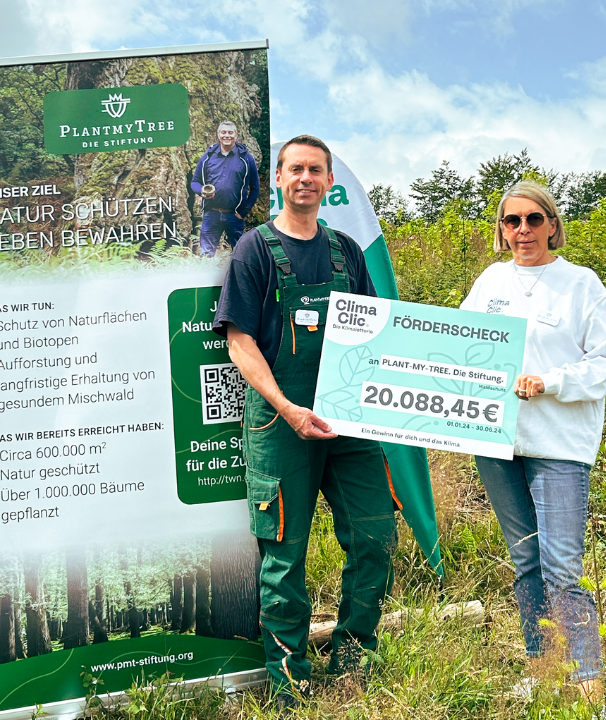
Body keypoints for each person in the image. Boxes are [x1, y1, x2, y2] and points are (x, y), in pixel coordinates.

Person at [213, 135, 397, 710]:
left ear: (327, 179)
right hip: (280, 420)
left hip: (349, 422)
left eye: (315, 170)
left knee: (375, 539)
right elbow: (239, 341)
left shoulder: (346, 250)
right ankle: (289, 679)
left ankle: (353, 658)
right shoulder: (255, 249)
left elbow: (375, 332)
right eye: (296, 169)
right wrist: (288, 408)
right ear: (278, 179)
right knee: (284, 554)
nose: (305, 179)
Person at [459, 181, 606, 701]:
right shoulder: (490, 282)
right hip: (497, 441)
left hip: (559, 444)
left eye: (534, 219)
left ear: (553, 224)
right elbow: (458, 347)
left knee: (562, 566)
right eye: (512, 222)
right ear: (501, 230)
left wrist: (550, 381)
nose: (523, 231)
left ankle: (586, 679)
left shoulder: (581, 284)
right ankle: (542, 665)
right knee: (526, 560)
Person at [191, 120, 261, 256]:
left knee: (240, 255)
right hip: (211, 214)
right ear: (218, 134)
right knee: (206, 256)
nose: (227, 135)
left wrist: (243, 212)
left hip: (234, 215)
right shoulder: (207, 157)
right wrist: (202, 192)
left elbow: (255, 189)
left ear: (236, 135)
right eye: (223, 132)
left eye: (230, 132)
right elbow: (195, 182)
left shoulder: (246, 158)